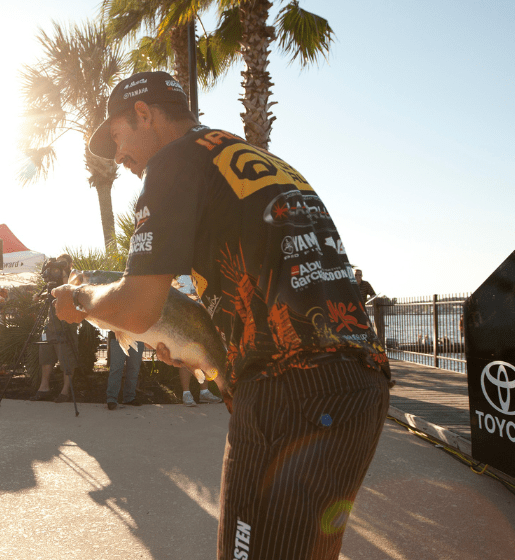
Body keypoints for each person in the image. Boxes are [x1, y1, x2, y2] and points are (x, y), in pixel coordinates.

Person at [52, 71, 391, 560]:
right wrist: (197, 350)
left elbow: (138, 305)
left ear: (144, 114)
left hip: (290, 391)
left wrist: (79, 302)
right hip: (360, 384)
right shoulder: (259, 159)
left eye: (120, 138)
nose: (120, 158)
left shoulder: (172, 163)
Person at [30, 254, 78, 403]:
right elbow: (53, 293)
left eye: (63, 264)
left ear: (70, 264)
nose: (59, 267)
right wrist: (41, 296)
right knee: (46, 354)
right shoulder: (55, 276)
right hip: (51, 320)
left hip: (66, 320)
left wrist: (65, 275)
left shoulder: (74, 276)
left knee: (66, 357)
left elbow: (68, 292)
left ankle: (65, 392)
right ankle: (44, 388)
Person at [172, 275, 223, 407]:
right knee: (185, 360)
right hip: (186, 327)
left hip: (203, 326)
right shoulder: (183, 279)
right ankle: (186, 394)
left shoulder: (204, 277)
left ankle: (204, 393)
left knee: (204, 358)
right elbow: (180, 303)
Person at [105, 332, 143, 410]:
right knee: (116, 368)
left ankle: (129, 397)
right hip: (118, 336)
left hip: (138, 337)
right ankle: (111, 399)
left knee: (134, 368)